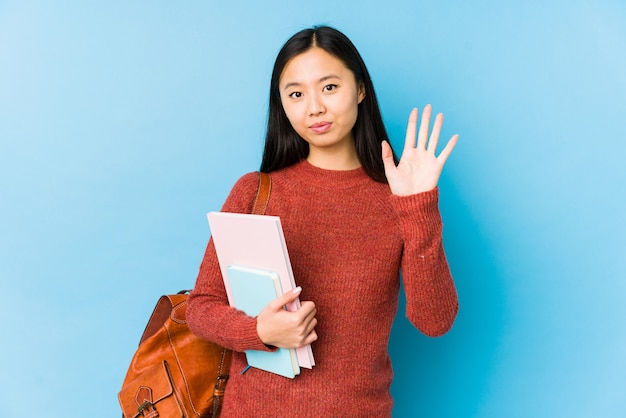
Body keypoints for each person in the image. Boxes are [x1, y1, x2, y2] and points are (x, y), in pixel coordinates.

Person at [187, 25, 459, 417]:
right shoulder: (255, 192)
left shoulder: (398, 201)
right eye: (296, 94)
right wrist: (259, 332)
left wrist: (418, 207)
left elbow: (435, 321)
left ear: (361, 89)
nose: (314, 107)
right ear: (282, 105)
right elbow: (201, 308)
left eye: (329, 87)